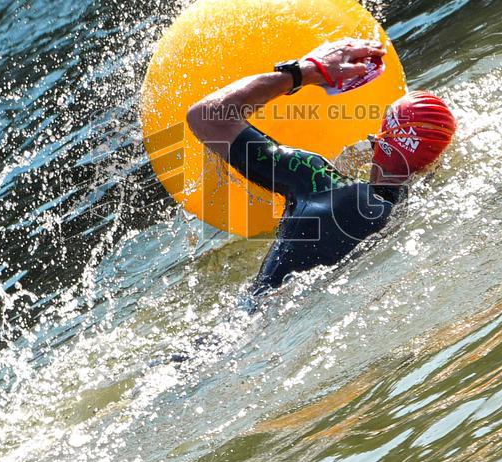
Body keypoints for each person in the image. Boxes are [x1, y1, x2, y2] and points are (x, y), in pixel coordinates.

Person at [186, 37, 456, 296]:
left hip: (245, 328)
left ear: (383, 137)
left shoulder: (322, 183)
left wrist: (305, 72)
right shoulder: (406, 209)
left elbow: (206, 116)